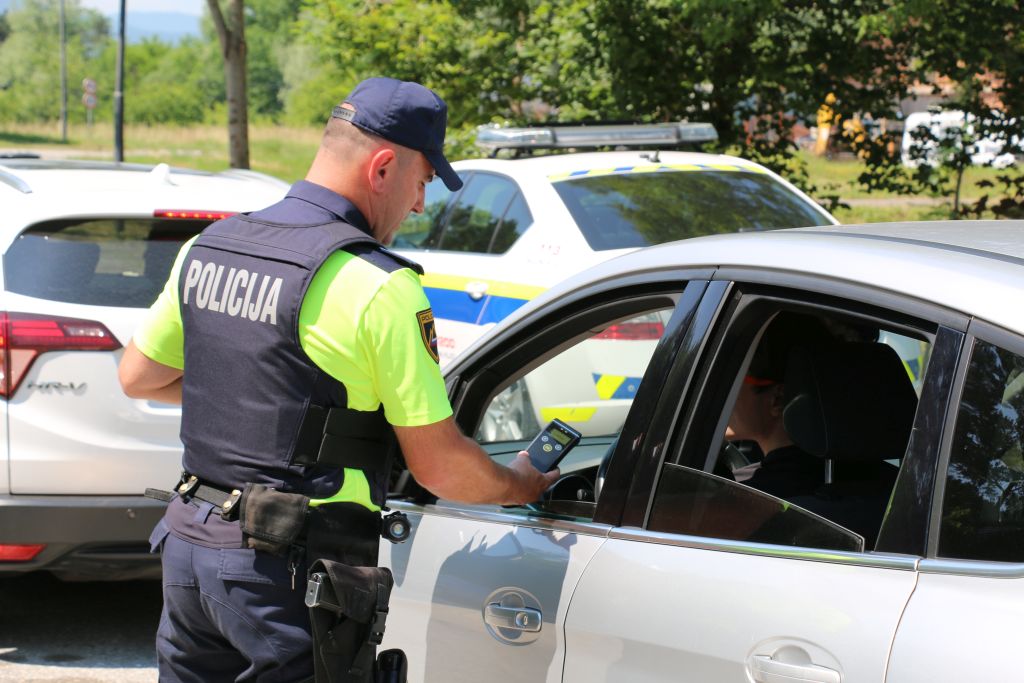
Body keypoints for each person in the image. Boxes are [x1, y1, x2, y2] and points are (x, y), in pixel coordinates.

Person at [118, 77, 558, 683]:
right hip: (288, 573)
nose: (419, 205)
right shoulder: (379, 285)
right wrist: (519, 483)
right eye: (423, 182)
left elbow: (139, 377)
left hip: (190, 549)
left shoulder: (210, 245)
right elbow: (439, 468)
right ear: (383, 168)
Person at [726, 312, 830, 499]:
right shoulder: (878, 484)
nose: (724, 389)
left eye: (735, 377)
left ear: (778, 399)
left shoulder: (745, 501)